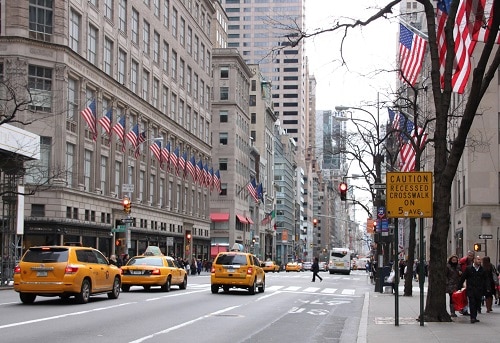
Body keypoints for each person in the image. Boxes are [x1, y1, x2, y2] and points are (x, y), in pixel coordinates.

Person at [458, 255, 488, 323]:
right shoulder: (469, 268)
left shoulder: (482, 269)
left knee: (478, 303)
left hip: (479, 289)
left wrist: (487, 288)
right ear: (474, 260)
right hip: (471, 289)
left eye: (480, 260)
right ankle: (473, 317)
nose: (479, 261)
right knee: (472, 302)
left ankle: (475, 316)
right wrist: (459, 287)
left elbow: (485, 279)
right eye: (478, 259)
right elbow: (463, 277)